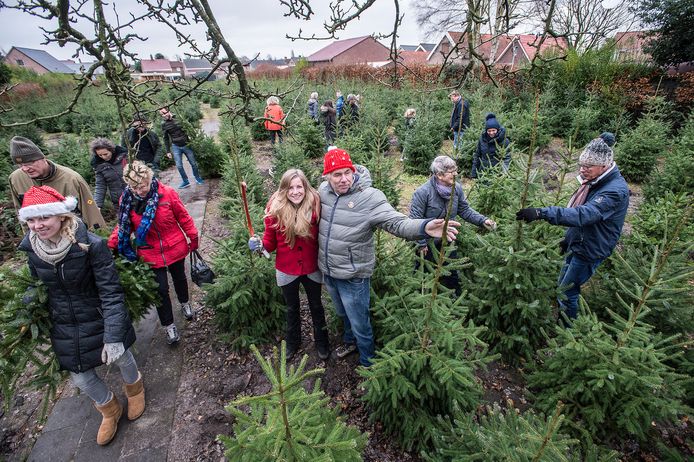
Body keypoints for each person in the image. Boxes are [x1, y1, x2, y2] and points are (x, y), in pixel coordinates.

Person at [17, 186, 144, 446]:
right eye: (31, 219)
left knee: (121, 357)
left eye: (43, 218)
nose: (37, 225)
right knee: (81, 376)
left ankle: (135, 389)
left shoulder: (90, 246)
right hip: (64, 322)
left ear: (61, 216)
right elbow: (36, 283)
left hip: (97, 314)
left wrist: (113, 336)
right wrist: (28, 302)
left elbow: (110, 291)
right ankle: (109, 409)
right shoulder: (31, 248)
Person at [318, 147, 461, 367]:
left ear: (354, 171)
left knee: (360, 323)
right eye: (337, 174)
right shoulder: (323, 192)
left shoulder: (369, 198)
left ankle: (368, 363)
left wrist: (423, 227)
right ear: (326, 176)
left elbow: (397, 222)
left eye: (348, 172)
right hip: (329, 271)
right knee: (342, 313)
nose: (344, 179)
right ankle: (349, 341)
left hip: (354, 275)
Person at [516, 138, 629, 323]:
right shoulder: (596, 181)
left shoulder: (614, 191)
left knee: (567, 291)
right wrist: (568, 240)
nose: (582, 170)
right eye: (581, 165)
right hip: (579, 242)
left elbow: (583, 215)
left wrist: (541, 213)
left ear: (604, 165)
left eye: (588, 166)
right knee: (563, 284)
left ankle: (567, 329)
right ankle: (564, 318)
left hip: (590, 249)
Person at [108, 161, 199, 344]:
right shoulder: (127, 201)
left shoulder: (167, 193)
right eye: (134, 187)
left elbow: (183, 217)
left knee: (180, 277)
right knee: (160, 289)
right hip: (150, 252)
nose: (140, 190)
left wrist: (193, 236)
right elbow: (123, 226)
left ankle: (185, 303)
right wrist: (110, 245)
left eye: (143, 185)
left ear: (150, 179)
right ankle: (169, 325)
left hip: (174, 246)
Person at [248, 169, 330, 360]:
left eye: (299, 187)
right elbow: (270, 243)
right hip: (286, 269)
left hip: (312, 267)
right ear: (284, 189)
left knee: (316, 306)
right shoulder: (275, 209)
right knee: (291, 308)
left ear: (305, 187)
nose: (295, 191)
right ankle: (293, 342)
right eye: (290, 188)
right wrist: (260, 245)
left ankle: (322, 341)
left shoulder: (316, 205)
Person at [410, 155, 497, 295]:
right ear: (439, 175)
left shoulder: (456, 189)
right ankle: (420, 300)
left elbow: (464, 210)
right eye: (452, 171)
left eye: (456, 170)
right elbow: (415, 220)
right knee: (423, 273)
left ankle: (454, 300)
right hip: (427, 242)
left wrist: (483, 220)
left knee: (451, 272)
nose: (456, 174)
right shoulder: (423, 192)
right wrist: (421, 243)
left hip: (448, 239)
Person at [8, 136, 106, 231]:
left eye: (29, 163)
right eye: (20, 165)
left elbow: (90, 211)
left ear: (43, 158)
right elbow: (20, 211)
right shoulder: (16, 179)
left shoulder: (72, 179)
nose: (25, 169)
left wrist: (98, 237)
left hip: (71, 236)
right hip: (39, 239)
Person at [159, 107, 204, 189]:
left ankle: (197, 178)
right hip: (176, 146)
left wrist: (194, 140)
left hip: (186, 144)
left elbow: (188, 128)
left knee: (193, 163)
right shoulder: (164, 124)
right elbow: (165, 138)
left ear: (169, 111)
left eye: (165, 113)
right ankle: (185, 181)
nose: (164, 115)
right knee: (179, 165)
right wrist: (168, 151)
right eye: (162, 114)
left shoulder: (179, 118)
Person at [89, 138, 127, 212]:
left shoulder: (125, 157)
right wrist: (97, 205)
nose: (103, 157)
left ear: (111, 150)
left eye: (105, 154)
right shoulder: (99, 166)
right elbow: (100, 186)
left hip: (135, 196)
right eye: (100, 155)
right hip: (118, 201)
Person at [471, 113, 511, 178]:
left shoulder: (504, 141)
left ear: (497, 130)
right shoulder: (482, 139)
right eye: (489, 131)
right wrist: (474, 173)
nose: (491, 133)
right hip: (483, 171)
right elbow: (477, 155)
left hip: (497, 173)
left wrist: (504, 174)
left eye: (493, 130)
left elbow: (507, 158)